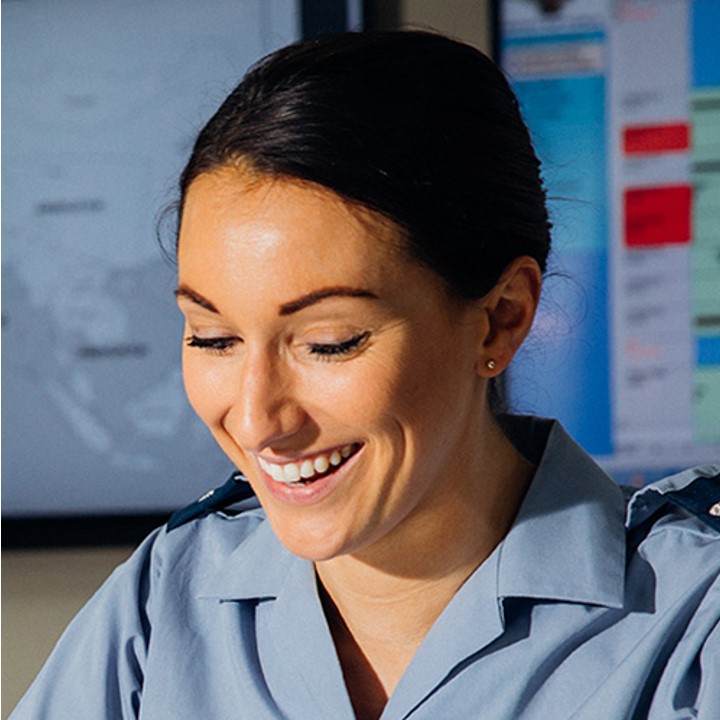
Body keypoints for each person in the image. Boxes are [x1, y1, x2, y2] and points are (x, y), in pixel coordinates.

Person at [11, 31, 720, 720]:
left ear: (501, 318)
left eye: (329, 342)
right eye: (214, 336)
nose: (258, 420)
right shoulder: (164, 605)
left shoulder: (693, 632)